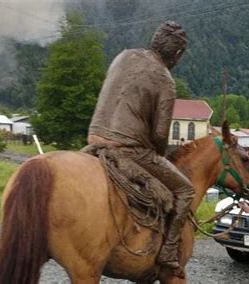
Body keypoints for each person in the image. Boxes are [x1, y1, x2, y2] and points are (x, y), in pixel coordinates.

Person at [87, 21, 193, 278]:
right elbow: (159, 135)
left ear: (154, 40)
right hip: (129, 149)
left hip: (93, 140)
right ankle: (168, 252)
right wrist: (159, 155)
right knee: (186, 190)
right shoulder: (165, 79)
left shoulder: (123, 56)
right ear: (177, 55)